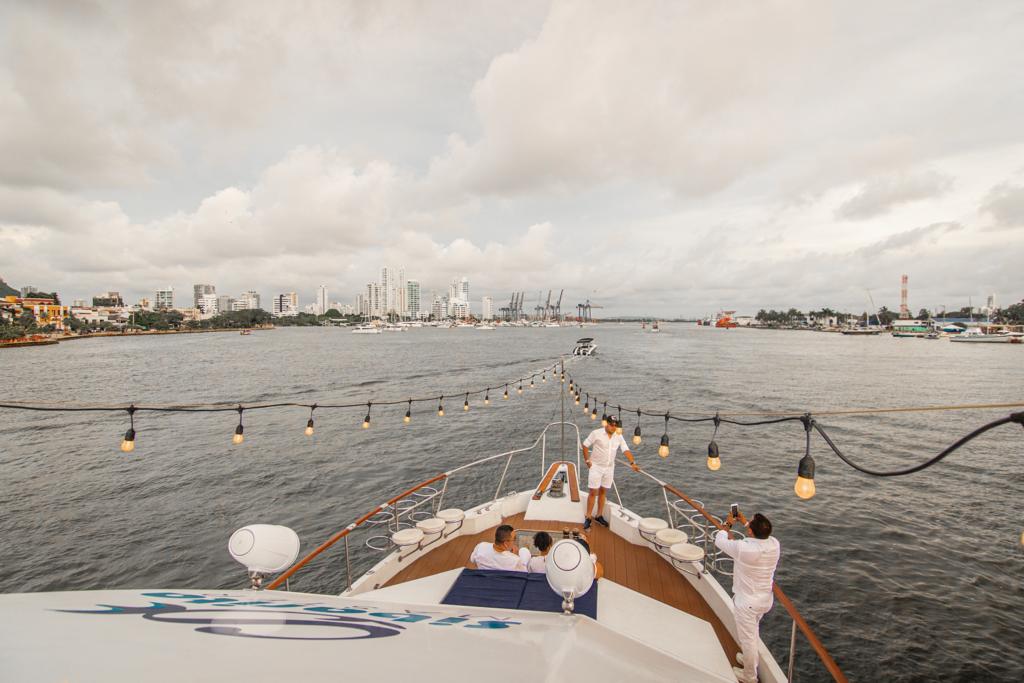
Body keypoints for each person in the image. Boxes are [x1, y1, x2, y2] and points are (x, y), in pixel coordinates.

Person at [714, 511, 781, 683]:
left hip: (747, 603)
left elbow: (719, 540)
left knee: (748, 639)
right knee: (752, 633)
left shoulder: (743, 549)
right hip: (764, 599)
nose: (748, 523)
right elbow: (758, 535)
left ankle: (749, 676)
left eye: (749, 523)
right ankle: (748, 659)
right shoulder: (774, 544)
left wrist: (728, 523)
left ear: (751, 532)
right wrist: (745, 522)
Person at [581, 416, 638, 530]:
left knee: (603, 492)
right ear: (606, 424)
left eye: (615, 425)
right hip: (596, 467)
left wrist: (632, 463)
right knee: (593, 492)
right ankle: (588, 517)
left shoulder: (618, 436)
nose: (613, 427)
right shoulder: (596, 433)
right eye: (611, 424)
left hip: (609, 468)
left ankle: (599, 515)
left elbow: (625, 449)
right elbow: (585, 445)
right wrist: (587, 460)